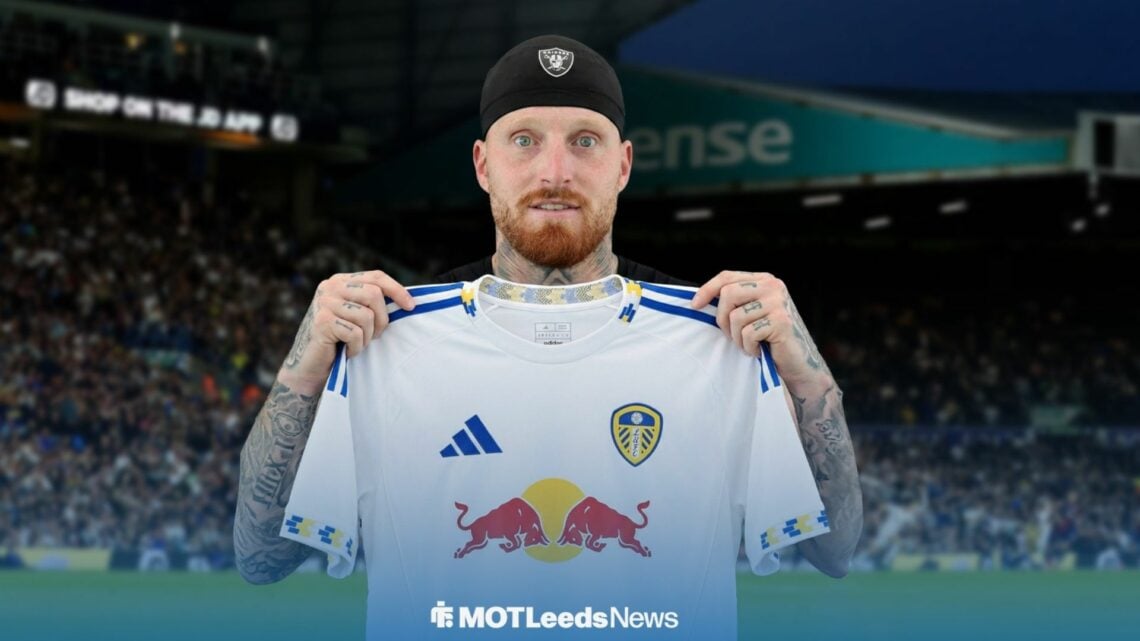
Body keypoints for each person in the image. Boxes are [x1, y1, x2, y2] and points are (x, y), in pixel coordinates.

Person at [235, 31, 861, 622]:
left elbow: (834, 553)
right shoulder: (388, 339)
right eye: (525, 139)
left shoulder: (715, 340)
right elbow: (260, 558)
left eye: (585, 140)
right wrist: (306, 366)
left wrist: (806, 375)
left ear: (623, 165)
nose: (555, 171)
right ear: (483, 165)